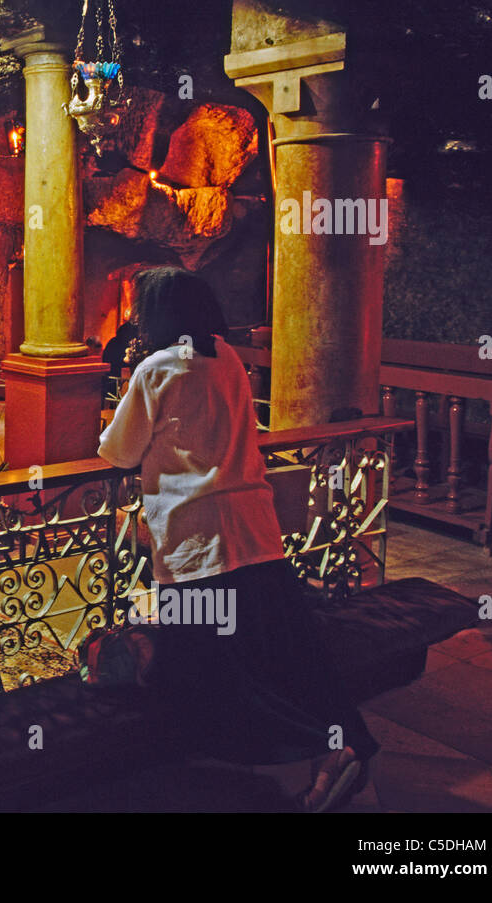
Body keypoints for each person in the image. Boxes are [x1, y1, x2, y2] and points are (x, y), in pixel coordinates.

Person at [96, 266, 377, 812]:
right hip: (255, 531)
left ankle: (317, 751)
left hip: (197, 540)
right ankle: (345, 744)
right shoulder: (226, 358)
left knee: (216, 668)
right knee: (287, 652)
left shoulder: (156, 369)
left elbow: (119, 450)